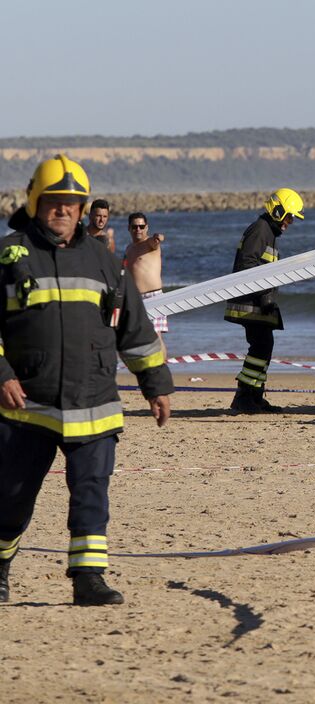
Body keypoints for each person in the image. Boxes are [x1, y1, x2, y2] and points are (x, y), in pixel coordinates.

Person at [0, 155, 173, 606]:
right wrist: (2, 375)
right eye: (53, 202)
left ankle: (88, 579)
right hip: (27, 408)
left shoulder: (102, 260)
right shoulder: (10, 256)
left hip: (94, 403)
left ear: (82, 210)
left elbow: (133, 326)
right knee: (11, 498)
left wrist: (155, 382)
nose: (63, 211)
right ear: (35, 204)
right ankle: (0, 565)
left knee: (92, 493)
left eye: (71, 204)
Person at [224, 188, 303, 414]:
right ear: (277, 211)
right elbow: (246, 265)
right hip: (251, 305)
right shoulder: (260, 230)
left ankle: (255, 397)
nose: (290, 222)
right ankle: (244, 396)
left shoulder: (268, 231)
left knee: (263, 347)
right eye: (289, 216)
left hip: (259, 304)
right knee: (260, 346)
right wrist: (265, 291)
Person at [123, 212, 168, 334]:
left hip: (153, 296)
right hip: (135, 299)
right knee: (137, 338)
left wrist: (159, 237)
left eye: (141, 226)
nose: (138, 229)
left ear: (146, 227)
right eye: (134, 226)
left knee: (155, 338)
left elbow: (157, 240)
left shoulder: (150, 243)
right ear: (129, 228)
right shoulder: (129, 248)